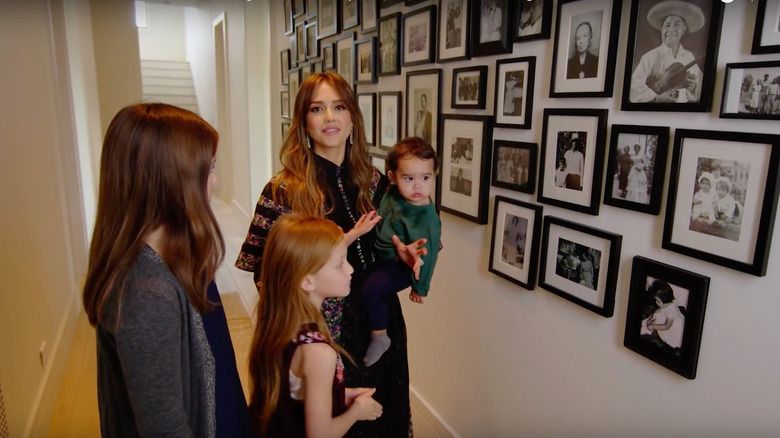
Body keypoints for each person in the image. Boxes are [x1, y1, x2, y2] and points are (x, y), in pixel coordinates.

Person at [235, 71, 424, 437]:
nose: (330, 118)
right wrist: (306, 326)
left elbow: (388, 248)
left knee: (378, 414)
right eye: (317, 109)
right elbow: (264, 271)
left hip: (377, 323)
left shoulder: (375, 182)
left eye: (338, 107)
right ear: (304, 122)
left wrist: (409, 254)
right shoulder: (283, 188)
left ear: (353, 116)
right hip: (319, 333)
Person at [82, 103, 225, 436]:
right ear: (171, 180)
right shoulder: (147, 295)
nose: (214, 181)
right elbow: (165, 427)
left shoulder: (160, 266)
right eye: (208, 169)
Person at [248, 214, 384, 437]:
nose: (350, 270)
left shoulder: (280, 324)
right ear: (307, 280)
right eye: (340, 263)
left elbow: (292, 393)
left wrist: (341, 395)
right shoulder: (319, 353)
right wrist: (357, 411)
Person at [361, 137, 442, 366]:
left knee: (370, 290)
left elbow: (430, 254)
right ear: (392, 178)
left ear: (434, 176)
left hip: (402, 266)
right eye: (409, 178)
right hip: (383, 254)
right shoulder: (391, 193)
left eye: (425, 178)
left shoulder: (426, 218)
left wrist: (420, 287)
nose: (418, 186)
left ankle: (380, 337)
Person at [629, 1, 705, 103]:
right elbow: (634, 85)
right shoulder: (651, 56)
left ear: (684, 30)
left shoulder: (689, 56)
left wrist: (693, 86)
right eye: (667, 25)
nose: (671, 30)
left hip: (685, 114)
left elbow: (703, 86)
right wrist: (657, 98)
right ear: (661, 29)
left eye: (677, 25)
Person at [642, 279, 685, 350]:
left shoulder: (672, 310)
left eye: (658, 301)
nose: (656, 302)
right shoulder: (665, 305)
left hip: (675, 330)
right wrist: (650, 318)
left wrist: (653, 326)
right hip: (668, 320)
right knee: (657, 314)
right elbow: (658, 311)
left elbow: (666, 326)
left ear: (665, 299)